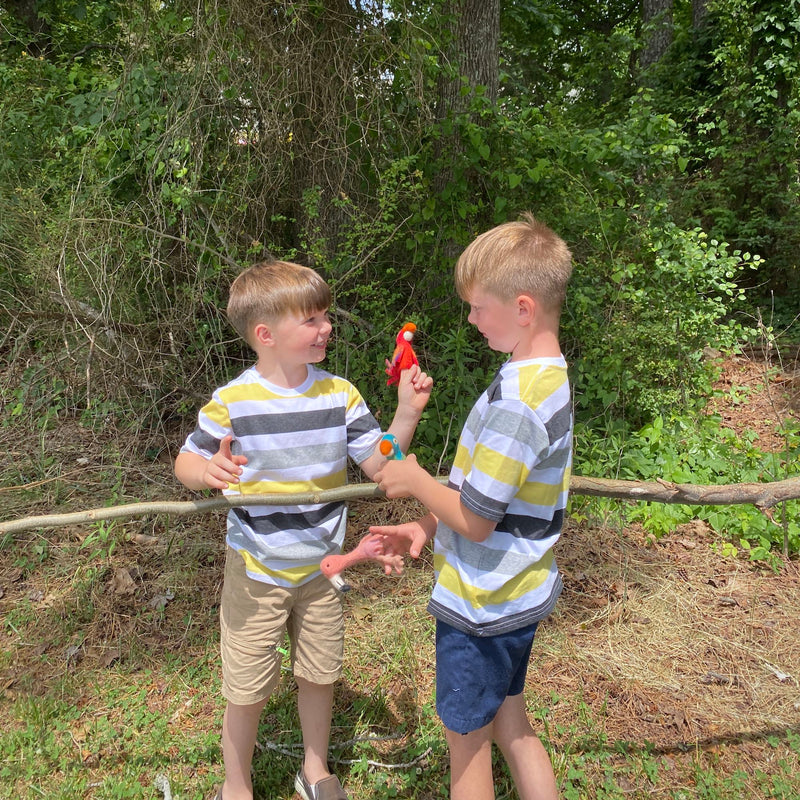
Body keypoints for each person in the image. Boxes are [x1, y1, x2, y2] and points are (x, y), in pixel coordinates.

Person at [174, 260, 432, 800]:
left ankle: (314, 770)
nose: (326, 328)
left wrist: (405, 414)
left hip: (322, 568)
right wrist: (207, 472)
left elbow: (382, 465)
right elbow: (186, 462)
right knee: (245, 686)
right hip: (257, 566)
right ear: (265, 335)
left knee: (320, 671)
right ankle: (235, 784)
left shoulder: (340, 395)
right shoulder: (233, 402)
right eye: (311, 320)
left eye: (325, 316)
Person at [369, 213, 573, 800]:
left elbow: (479, 522)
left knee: (468, 749)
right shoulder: (541, 376)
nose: (470, 318)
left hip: (482, 606)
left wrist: (412, 478)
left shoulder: (518, 402)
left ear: (523, 309)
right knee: (512, 724)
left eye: (478, 307)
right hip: (519, 594)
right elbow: (487, 496)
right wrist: (427, 522)